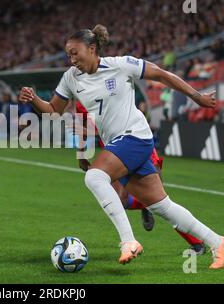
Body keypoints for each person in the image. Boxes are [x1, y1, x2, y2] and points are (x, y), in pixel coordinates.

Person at [18, 25, 224, 269]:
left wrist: (197, 97)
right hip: (118, 144)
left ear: (92, 48)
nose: (72, 59)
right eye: (68, 54)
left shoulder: (120, 65)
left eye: (75, 53)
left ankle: (128, 241)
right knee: (162, 206)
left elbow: (162, 75)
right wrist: (34, 99)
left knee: (95, 178)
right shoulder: (71, 78)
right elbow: (53, 110)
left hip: (135, 137)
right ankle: (218, 242)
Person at [74, 102, 206, 254]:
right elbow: (82, 129)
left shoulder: (110, 85)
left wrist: (88, 136)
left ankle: (197, 243)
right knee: (121, 200)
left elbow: (112, 124)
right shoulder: (80, 98)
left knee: (161, 202)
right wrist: (82, 156)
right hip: (114, 152)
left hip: (137, 143)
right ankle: (142, 207)